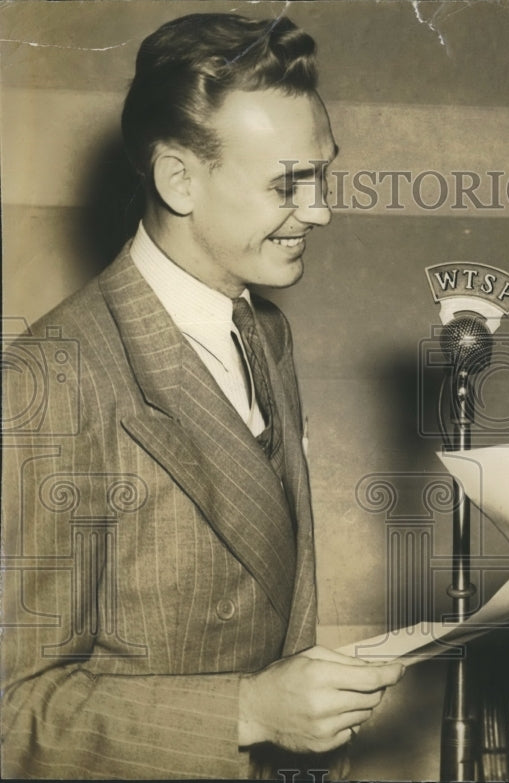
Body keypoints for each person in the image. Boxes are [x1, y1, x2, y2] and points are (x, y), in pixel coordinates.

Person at [1, 13, 402, 779]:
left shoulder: (265, 332)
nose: (320, 210)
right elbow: (10, 712)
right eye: (290, 183)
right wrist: (250, 710)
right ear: (178, 179)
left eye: (324, 174)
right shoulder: (50, 381)